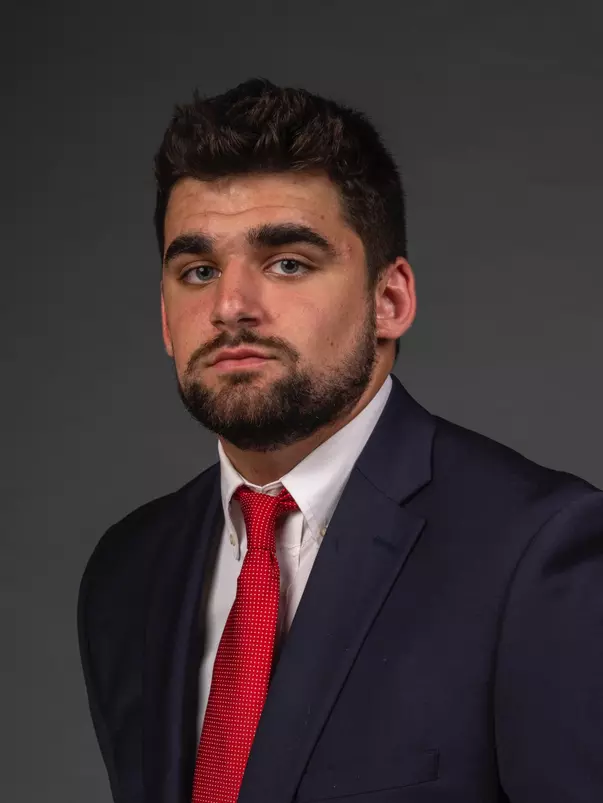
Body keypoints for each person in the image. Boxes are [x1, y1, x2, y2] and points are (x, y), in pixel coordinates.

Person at [77, 78, 603, 803]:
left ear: (389, 300)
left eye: (287, 262)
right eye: (197, 270)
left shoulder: (538, 555)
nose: (230, 305)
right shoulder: (127, 571)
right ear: (167, 321)